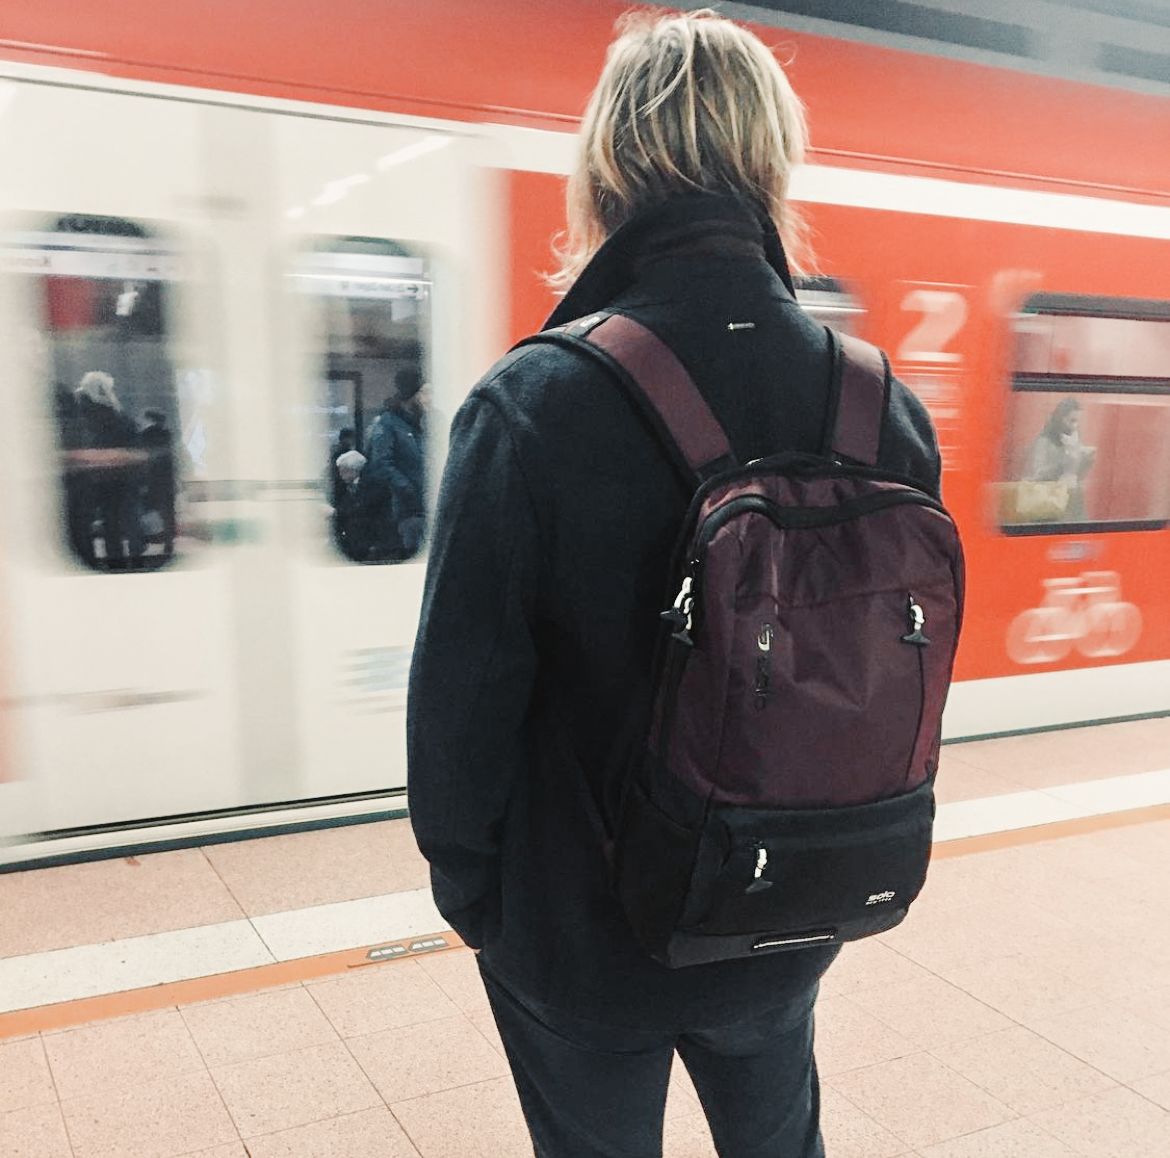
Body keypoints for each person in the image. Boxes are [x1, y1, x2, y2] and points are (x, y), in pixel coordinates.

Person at [408, 11, 941, 1158]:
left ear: (607, 165)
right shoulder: (881, 406)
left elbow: (458, 711)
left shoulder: (535, 406)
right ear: (770, 163)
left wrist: (481, 904)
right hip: (789, 905)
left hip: (583, 940)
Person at [73, 371, 143, 569]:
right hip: (123, 478)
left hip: (103, 479)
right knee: (127, 520)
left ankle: (116, 561)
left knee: (111, 522)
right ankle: (133, 558)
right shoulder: (118, 414)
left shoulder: (88, 414)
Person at [359, 369, 428, 559]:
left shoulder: (422, 424)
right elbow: (381, 464)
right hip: (405, 509)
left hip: (422, 505)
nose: (429, 399)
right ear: (411, 396)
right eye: (424, 393)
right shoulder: (388, 424)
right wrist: (408, 490)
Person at [1025, 397, 1095, 521]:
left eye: (1078, 421)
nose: (1075, 426)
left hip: (1072, 500)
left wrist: (1086, 460)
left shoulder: (1074, 439)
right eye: (1072, 421)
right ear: (1060, 418)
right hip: (1049, 502)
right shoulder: (1044, 441)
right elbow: (1037, 474)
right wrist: (1064, 462)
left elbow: (1077, 475)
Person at [139, 409, 178, 559]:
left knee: (147, 509)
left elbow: (144, 458)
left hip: (152, 479)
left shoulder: (145, 435)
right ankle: (168, 541)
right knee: (167, 511)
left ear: (149, 418)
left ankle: (145, 540)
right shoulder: (167, 434)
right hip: (167, 479)